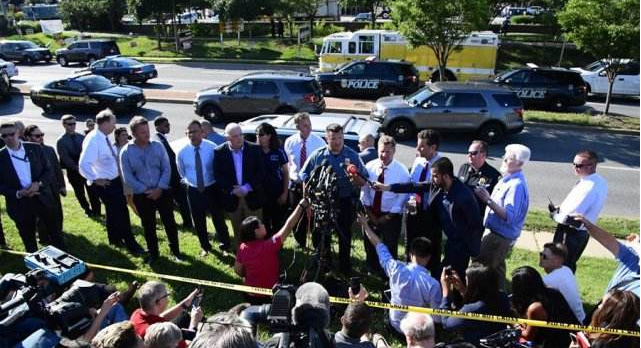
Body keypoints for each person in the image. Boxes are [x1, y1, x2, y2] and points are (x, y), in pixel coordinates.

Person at [378, 157, 483, 278]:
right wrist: (387, 187)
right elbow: (414, 186)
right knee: (446, 274)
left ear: (446, 176)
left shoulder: (464, 196)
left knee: (448, 274)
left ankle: (456, 296)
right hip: (449, 239)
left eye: (435, 176)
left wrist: (473, 250)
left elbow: (475, 224)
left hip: (461, 244)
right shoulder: (438, 186)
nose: (432, 179)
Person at [357, 213, 441, 336]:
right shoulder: (433, 284)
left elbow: (378, 244)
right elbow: (437, 319)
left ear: (410, 253)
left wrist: (365, 224)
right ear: (428, 257)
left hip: (395, 327)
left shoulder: (395, 268)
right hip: (418, 333)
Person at [300, 123, 367, 276]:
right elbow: (305, 177)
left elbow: (363, 182)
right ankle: (325, 265)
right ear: (326, 138)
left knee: (344, 235)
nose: (337, 142)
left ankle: (345, 267)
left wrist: (354, 177)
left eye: (340, 138)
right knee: (321, 235)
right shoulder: (318, 155)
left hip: (344, 201)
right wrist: (307, 202)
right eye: (333, 138)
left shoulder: (352, 156)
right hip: (322, 202)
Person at [78, 109, 145, 255]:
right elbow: (83, 164)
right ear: (106, 122)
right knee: (121, 214)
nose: (115, 126)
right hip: (107, 185)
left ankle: (114, 239)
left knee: (112, 212)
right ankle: (132, 245)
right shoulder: (94, 139)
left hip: (114, 181)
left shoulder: (103, 136)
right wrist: (95, 179)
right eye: (113, 122)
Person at [120, 116, 182, 263]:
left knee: (169, 222)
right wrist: (145, 190)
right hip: (142, 196)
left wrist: (159, 188)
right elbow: (127, 176)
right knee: (148, 226)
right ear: (134, 134)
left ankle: (176, 251)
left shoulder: (157, 146)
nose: (147, 134)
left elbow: (166, 168)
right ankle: (154, 254)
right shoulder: (126, 151)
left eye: (147, 131)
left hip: (163, 192)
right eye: (142, 132)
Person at [0, 121, 65, 252]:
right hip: (20, 204)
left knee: (56, 235)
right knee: (29, 240)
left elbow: (48, 170)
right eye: (4, 136)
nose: (9, 138)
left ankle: (67, 264)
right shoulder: (1, 156)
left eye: (12, 134)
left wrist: (38, 184)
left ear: (18, 133)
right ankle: (36, 267)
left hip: (43, 198)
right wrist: (19, 193)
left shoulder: (34, 148)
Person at [473, 144, 530, 289]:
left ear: (520, 163)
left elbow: (509, 216)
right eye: (505, 156)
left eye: (509, 158)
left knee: (480, 271)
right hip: (495, 234)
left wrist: (488, 200)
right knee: (496, 271)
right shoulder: (507, 179)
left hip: (498, 238)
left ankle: (481, 302)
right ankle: (501, 301)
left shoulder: (516, 186)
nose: (504, 159)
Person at [235, 196, 308, 304]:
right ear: (256, 231)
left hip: (250, 296)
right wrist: (301, 205)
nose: (264, 225)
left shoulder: (242, 247)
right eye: (261, 224)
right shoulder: (269, 246)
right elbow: (288, 225)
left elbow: (238, 271)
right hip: (269, 296)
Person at [176, 120, 229, 256]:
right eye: (189, 132)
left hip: (212, 188)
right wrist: (192, 181)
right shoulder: (182, 152)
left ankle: (225, 246)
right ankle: (205, 246)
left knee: (218, 218)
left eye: (195, 131)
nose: (192, 135)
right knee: (198, 220)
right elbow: (181, 171)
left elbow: (218, 167)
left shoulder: (212, 147)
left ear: (202, 132)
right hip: (194, 190)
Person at [360, 135, 410, 277]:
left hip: (391, 217)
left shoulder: (402, 172)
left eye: (388, 152)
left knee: (389, 245)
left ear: (394, 151)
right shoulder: (369, 167)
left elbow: (402, 197)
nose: (384, 155)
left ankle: (388, 273)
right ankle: (371, 266)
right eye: (381, 151)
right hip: (371, 213)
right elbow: (364, 191)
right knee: (370, 243)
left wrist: (387, 217)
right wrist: (369, 213)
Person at [553, 150, 608, 273]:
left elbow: (572, 216)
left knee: (560, 264)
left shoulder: (589, 187)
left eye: (579, 165)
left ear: (592, 166)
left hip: (571, 232)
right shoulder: (598, 181)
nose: (575, 168)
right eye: (574, 164)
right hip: (582, 232)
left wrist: (555, 214)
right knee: (568, 263)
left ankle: (558, 290)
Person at [214, 123, 265, 244]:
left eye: (241, 134)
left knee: (256, 230)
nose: (239, 138)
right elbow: (218, 175)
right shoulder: (219, 151)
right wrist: (232, 190)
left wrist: (247, 187)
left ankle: (258, 256)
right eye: (235, 136)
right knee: (239, 231)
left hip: (252, 197)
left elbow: (261, 173)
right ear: (227, 138)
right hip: (233, 199)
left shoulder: (254, 149)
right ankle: (242, 255)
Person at [439, 263, 511, 346]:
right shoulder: (502, 297)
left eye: (467, 281)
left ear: (474, 286)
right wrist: (462, 289)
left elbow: (447, 323)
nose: (466, 283)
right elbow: (480, 299)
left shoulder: (470, 311)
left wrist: (445, 292)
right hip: (497, 343)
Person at [283, 112, 326, 248]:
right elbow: (289, 164)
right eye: (305, 126)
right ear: (297, 127)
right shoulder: (290, 142)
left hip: (313, 185)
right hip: (296, 185)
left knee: (313, 215)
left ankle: (316, 242)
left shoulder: (319, 142)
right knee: (297, 213)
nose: (308, 128)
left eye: (309, 124)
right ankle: (299, 240)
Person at [510, 266, 579, 347]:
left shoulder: (535, 308)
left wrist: (514, 324)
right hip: (571, 337)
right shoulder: (553, 291)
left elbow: (528, 336)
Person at [572, 214, 639, 298]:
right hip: (607, 307)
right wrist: (588, 225)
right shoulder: (633, 257)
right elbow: (610, 242)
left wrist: (636, 246)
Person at [406, 129, 442, 273]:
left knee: (429, 247)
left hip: (430, 214)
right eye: (417, 145)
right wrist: (410, 200)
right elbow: (412, 182)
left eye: (422, 146)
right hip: (413, 210)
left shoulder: (441, 164)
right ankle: (410, 271)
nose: (417, 149)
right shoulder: (418, 160)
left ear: (433, 148)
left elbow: (429, 187)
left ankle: (430, 276)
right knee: (411, 242)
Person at [130, 281, 203, 348]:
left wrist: (185, 303)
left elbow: (159, 318)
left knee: (183, 315)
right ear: (158, 302)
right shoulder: (161, 334)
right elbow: (188, 346)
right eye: (166, 295)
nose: (168, 299)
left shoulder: (137, 314)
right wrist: (194, 324)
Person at [24, 125, 65, 237]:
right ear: (28, 137)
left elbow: (57, 169)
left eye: (42, 135)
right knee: (41, 215)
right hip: (39, 190)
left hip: (53, 187)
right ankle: (43, 236)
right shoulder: (25, 153)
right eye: (37, 136)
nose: (41, 137)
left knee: (57, 210)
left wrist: (62, 185)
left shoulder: (49, 150)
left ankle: (58, 231)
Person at [153, 116, 192, 229]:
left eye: (169, 124)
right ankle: (185, 223)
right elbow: (167, 161)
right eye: (166, 125)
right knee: (177, 202)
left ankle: (187, 223)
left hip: (172, 178)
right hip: (171, 179)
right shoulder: (158, 140)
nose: (169, 126)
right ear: (158, 126)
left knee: (180, 202)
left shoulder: (161, 138)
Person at [57, 115, 96, 217]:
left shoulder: (81, 137)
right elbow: (65, 158)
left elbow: (88, 152)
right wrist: (76, 168)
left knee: (92, 190)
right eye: (70, 124)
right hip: (74, 171)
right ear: (64, 125)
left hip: (86, 169)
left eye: (74, 123)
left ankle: (96, 210)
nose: (73, 126)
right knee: (80, 192)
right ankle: (87, 209)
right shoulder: (61, 141)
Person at [255, 123, 289, 235]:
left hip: (276, 193)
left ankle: (277, 244)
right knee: (263, 221)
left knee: (277, 220)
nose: (258, 137)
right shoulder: (254, 151)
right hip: (260, 193)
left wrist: (285, 193)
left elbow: (286, 173)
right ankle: (266, 243)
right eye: (257, 134)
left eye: (261, 134)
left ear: (269, 136)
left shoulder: (278, 152)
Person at [539, 242, 585, 323]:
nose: (541, 258)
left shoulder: (548, 280)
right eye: (541, 254)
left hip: (572, 326)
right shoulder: (566, 269)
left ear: (558, 260)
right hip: (581, 320)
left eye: (545, 256)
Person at [457, 140, 501, 216]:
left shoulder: (494, 176)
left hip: (477, 217)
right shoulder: (464, 167)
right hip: (460, 213)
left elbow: (497, 202)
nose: (469, 155)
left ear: (483, 155)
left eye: (473, 153)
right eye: (469, 152)